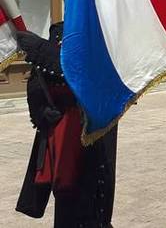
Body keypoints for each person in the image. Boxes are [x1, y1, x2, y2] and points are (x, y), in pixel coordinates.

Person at [15, 24, 118, 228]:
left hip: (91, 129)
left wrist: (41, 50)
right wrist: (41, 110)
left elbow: (87, 71)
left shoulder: (103, 32)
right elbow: (37, 80)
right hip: (60, 130)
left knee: (91, 196)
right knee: (64, 193)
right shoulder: (58, 31)